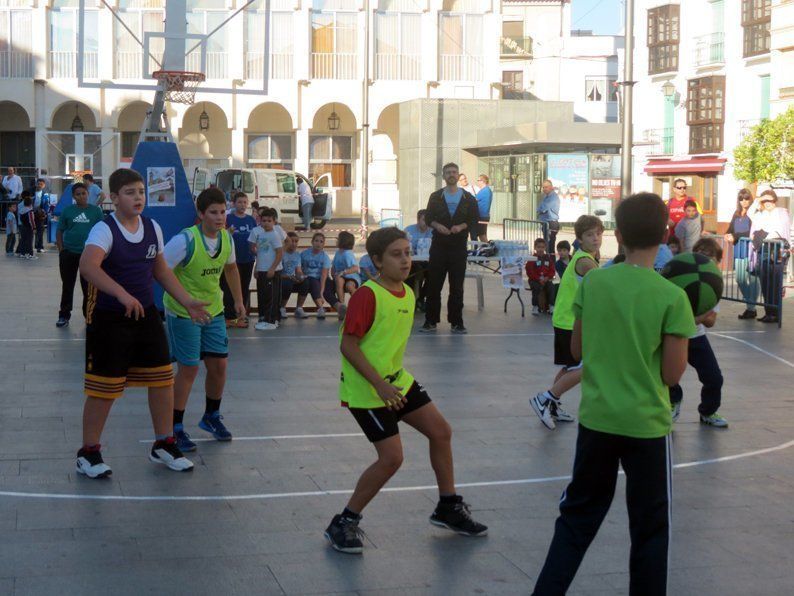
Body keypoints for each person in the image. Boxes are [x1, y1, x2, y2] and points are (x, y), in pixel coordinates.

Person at [531, 193, 695, 595]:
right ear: (664, 235)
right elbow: (673, 375)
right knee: (650, 529)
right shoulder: (672, 297)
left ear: (618, 236)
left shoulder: (596, 282)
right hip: (646, 426)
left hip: (599, 421)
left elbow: (577, 352)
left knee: (576, 519)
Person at [323, 227, 487, 554]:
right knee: (392, 458)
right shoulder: (368, 295)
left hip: (396, 381)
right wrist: (379, 385)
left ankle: (448, 507)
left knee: (441, 431)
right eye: (396, 255)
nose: (405, 260)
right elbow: (349, 346)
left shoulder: (408, 293)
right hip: (368, 389)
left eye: (408, 253)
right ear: (376, 261)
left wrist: (390, 382)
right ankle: (343, 522)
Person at [76, 168, 210, 479]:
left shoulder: (152, 228)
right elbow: (87, 266)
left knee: (163, 379)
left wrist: (187, 300)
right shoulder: (104, 230)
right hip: (109, 316)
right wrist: (122, 294)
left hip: (145, 313)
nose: (138, 197)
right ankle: (89, 452)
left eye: (141, 192)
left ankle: (163, 443)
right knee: (104, 388)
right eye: (130, 192)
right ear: (113, 198)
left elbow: (161, 271)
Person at [163, 187, 244, 452]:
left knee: (219, 365)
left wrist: (239, 301)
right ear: (200, 214)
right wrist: (183, 298)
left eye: (223, 212)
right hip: (184, 311)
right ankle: (174, 428)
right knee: (189, 369)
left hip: (214, 310)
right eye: (214, 212)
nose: (220, 217)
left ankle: (211, 416)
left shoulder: (226, 239)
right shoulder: (184, 240)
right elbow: (160, 269)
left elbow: (231, 269)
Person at [530, 215, 603, 430]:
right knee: (585, 367)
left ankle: (551, 404)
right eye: (590, 235)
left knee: (570, 367)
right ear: (579, 238)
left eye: (598, 233)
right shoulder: (585, 261)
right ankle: (545, 398)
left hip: (565, 319)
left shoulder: (586, 256)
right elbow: (603, 287)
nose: (596, 238)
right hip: (570, 322)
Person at [669, 237, 728, 428]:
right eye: (700, 253)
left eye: (709, 255)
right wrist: (696, 316)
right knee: (666, 375)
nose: (704, 257)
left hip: (696, 337)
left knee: (714, 378)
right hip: (674, 334)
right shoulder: (679, 277)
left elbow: (710, 321)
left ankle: (708, 412)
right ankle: (673, 401)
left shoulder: (713, 286)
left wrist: (693, 318)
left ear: (717, 262)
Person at [421, 162, 479, 334]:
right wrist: (437, 225)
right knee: (433, 285)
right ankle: (430, 321)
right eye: (448, 172)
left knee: (457, 287)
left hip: (458, 248)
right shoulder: (435, 196)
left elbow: (474, 219)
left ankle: (456, 322)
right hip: (439, 247)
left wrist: (461, 226)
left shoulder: (468, 198)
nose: (451, 175)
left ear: (459, 175)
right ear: (443, 176)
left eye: (454, 172)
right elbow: (429, 216)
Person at [55, 182, 103, 328]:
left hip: (88, 256)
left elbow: (102, 231)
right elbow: (59, 230)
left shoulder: (96, 211)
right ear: (73, 196)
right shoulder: (68, 211)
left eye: (84, 193)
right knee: (67, 285)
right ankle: (64, 315)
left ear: (88, 194)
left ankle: (88, 316)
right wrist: (61, 250)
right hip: (69, 254)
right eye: (78, 194)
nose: (81, 196)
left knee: (88, 287)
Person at [748, 189, 791, 323]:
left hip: (778, 248)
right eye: (765, 201)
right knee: (765, 282)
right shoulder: (761, 214)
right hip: (764, 248)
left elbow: (782, 230)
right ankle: (769, 312)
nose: (767, 203)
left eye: (770, 200)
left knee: (775, 281)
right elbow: (750, 213)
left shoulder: (782, 212)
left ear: (775, 200)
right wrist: (758, 200)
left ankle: (775, 313)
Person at [222, 191, 257, 328]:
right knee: (230, 288)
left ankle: (242, 315)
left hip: (247, 259)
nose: (242, 205)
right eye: (239, 202)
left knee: (243, 287)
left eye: (244, 202)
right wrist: (227, 233)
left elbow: (256, 238)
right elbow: (221, 235)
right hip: (232, 261)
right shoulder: (228, 218)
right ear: (233, 204)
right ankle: (229, 316)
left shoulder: (251, 220)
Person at [725, 189, 758, 319]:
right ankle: (751, 305)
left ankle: (751, 308)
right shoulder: (737, 213)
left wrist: (735, 235)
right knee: (740, 278)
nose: (744, 201)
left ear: (751, 199)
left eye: (746, 198)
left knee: (753, 280)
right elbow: (730, 228)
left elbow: (751, 232)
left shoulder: (755, 213)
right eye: (741, 199)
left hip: (750, 250)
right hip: (738, 249)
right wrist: (727, 234)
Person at [249, 207, 283, 330]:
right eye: (264, 220)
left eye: (269, 221)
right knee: (264, 295)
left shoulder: (275, 235)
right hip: (262, 269)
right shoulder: (261, 234)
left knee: (272, 297)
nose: (266, 223)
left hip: (271, 271)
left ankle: (271, 321)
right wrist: (257, 268)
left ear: (274, 222)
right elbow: (260, 253)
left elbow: (279, 253)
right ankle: (265, 317)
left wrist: (272, 269)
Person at [325, 230, 360, 321]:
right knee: (339, 280)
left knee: (349, 286)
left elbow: (355, 268)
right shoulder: (337, 252)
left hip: (351, 276)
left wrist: (344, 272)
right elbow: (334, 266)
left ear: (343, 241)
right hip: (341, 277)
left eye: (338, 239)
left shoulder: (347, 254)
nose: (336, 241)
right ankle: (342, 306)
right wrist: (333, 273)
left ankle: (359, 303)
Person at [296, 232, 332, 319]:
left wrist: (321, 292)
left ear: (323, 244)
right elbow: (298, 268)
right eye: (316, 241)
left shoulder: (325, 257)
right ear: (312, 242)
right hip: (305, 279)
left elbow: (324, 276)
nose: (318, 243)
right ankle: (320, 308)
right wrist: (300, 276)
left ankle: (300, 309)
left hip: (318, 280)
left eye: (321, 241)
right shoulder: (304, 254)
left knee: (313, 282)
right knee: (309, 281)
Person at [404, 209, 433, 310]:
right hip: (412, 261)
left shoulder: (432, 231)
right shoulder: (409, 230)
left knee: (434, 275)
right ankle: (411, 300)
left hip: (427, 261)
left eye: (429, 220)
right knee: (411, 273)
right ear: (418, 220)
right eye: (424, 220)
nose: (426, 223)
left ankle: (421, 299)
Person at [526, 238, 555, 315]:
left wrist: (547, 277)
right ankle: (535, 306)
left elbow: (552, 270)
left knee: (551, 287)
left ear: (545, 248)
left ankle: (551, 306)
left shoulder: (548, 258)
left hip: (546, 279)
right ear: (535, 248)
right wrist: (538, 279)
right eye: (538, 247)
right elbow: (530, 272)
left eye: (542, 247)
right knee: (536, 288)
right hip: (535, 280)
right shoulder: (531, 259)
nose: (540, 249)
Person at [280, 231, 304, 318]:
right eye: (291, 241)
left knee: (305, 282)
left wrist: (301, 276)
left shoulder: (297, 255)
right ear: (286, 242)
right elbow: (277, 273)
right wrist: (289, 277)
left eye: (296, 241)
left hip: (291, 278)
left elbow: (298, 270)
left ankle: (299, 309)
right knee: (287, 284)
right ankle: (282, 308)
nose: (294, 244)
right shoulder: (281, 253)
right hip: (281, 279)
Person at [537, 179, 560, 251]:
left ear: (551, 187)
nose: (544, 189)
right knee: (547, 246)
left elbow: (544, 208)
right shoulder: (546, 197)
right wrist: (540, 210)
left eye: (546, 187)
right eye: (543, 187)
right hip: (546, 223)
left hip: (551, 223)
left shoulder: (553, 197)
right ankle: (548, 261)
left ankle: (551, 262)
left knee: (550, 247)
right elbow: (540, 208)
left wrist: (540, 210)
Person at [471, 174, 493, 242]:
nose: (477, 182)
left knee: (481, 235)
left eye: (478, 180)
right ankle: (486, 249)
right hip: (484, 216)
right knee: (482, 235)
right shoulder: (487, 190)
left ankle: (489, 249)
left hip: (481, 216)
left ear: (482, 181)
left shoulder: (484, 190)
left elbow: (474, 200)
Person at [33, 178, 51, 253]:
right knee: (28, 231)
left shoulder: (45, 194)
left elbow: (47, 204)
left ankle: (39, 247)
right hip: (30, 213)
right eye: (38, 184)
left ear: (44, 185)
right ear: (36, 184)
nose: (39, 185)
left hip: (40, 214)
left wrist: (45, 212)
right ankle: (24, 248)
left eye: (41, 184)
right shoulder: (30, 191)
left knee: (40, 230)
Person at [17, 193, 36, 260]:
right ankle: (30, 254)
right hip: (29, 227)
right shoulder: (30, 211)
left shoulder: (21, 210)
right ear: (30, 203)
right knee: (29, 241)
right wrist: (34, 228)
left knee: (23, 240)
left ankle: (22, 253)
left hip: (23, 226)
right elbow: (31, 220)